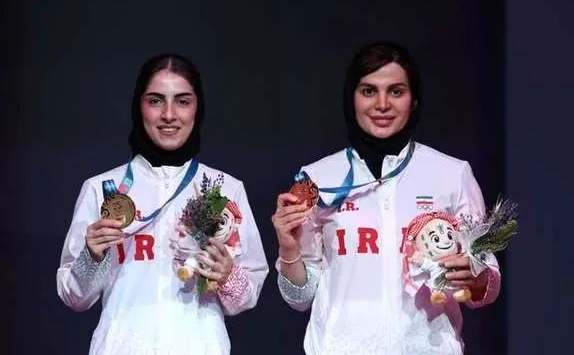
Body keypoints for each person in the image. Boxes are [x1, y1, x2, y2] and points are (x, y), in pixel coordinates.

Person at [271, 41, 500, 354]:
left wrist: (473, 276)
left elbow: (487, 285)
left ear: (413, 100)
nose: (382, 104)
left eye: (396, 91)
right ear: (351, 98)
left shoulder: (452, 174)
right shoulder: (316, 180)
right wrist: (289, 249)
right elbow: (299, 298)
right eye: (368, 91)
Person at [56, 53, 269, 354]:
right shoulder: (102, 189)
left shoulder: (225, 189)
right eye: (156, 100)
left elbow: (246, 298)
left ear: (197, 108)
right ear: (138, 106)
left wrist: (227, 275)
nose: (169, 114)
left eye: (183, 101)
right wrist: (91, 255)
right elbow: (74, 298)